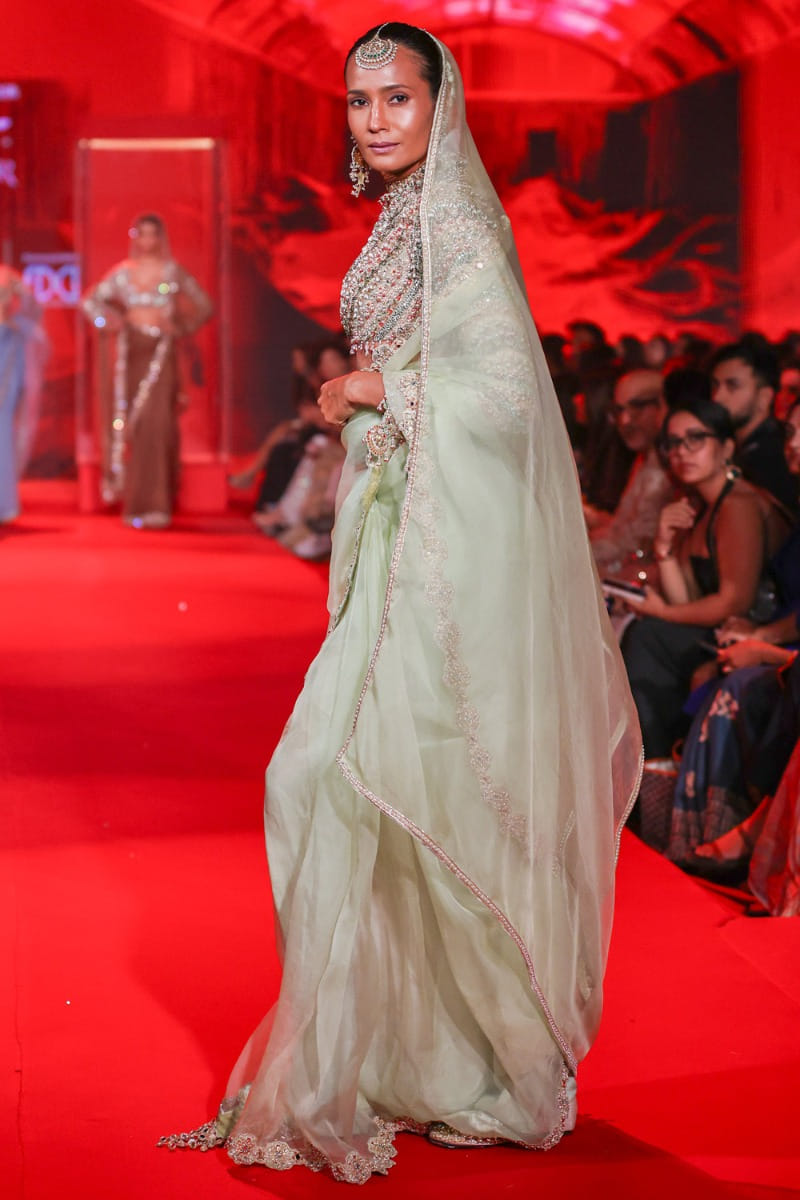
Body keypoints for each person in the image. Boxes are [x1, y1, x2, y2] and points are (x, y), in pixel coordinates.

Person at [160, 24, 641, 1181]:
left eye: (396, 98)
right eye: (359, 100)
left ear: (441, 104)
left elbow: (510, 398)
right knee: (335, 782)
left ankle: (489, 1066)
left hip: (447, 554)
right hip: (397, 526)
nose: (375, 119)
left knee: (393, 783)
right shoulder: (398, 216)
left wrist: (382, 387)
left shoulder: (459, 220)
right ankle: (399, 1059)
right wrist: (374, 403)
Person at [622, 395, 790, 759]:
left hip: (757, 626)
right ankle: (650, 759)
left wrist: (663, 613)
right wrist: (664, 545)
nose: (682, 452)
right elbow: (687, 599)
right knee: (645, 630)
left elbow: (734, 601)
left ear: (726, 447)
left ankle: (652, 760)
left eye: (695, 438)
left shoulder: (739, 504)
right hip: (720, 628)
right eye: (673, 443)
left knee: (649, 635)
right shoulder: (700, 505)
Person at [82, 214, 213, 529]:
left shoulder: (172, 271)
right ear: (135, 238)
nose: (147, 241)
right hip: (132, 355)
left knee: (158, 424)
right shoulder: (123, 273)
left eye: (153, 234)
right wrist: (111, 322)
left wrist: (180, 327)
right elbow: (90, 302)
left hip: (161, 354)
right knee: (136, 427)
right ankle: (136, 502)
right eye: (142, 234)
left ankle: (158, 503)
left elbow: (204, 306)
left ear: (161, 237)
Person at [586, 368, 672, 575]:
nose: (625, 421)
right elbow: (622, 532)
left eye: (638, 407)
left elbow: (634, 548)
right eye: (619, 410)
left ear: (664, 406)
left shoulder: (673, 467)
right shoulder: (643, 457)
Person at [710, 334, 797, 514]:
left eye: (732, 386)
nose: (717, 397)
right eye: (715, 386)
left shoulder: (774, 458)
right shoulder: (742, 450)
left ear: (764, 397)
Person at [0, 266, 47, 523]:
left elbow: (35, 310)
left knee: (4, 434)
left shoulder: (18, 327)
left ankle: (4, 503)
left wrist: (22, 290)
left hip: (7, 379)